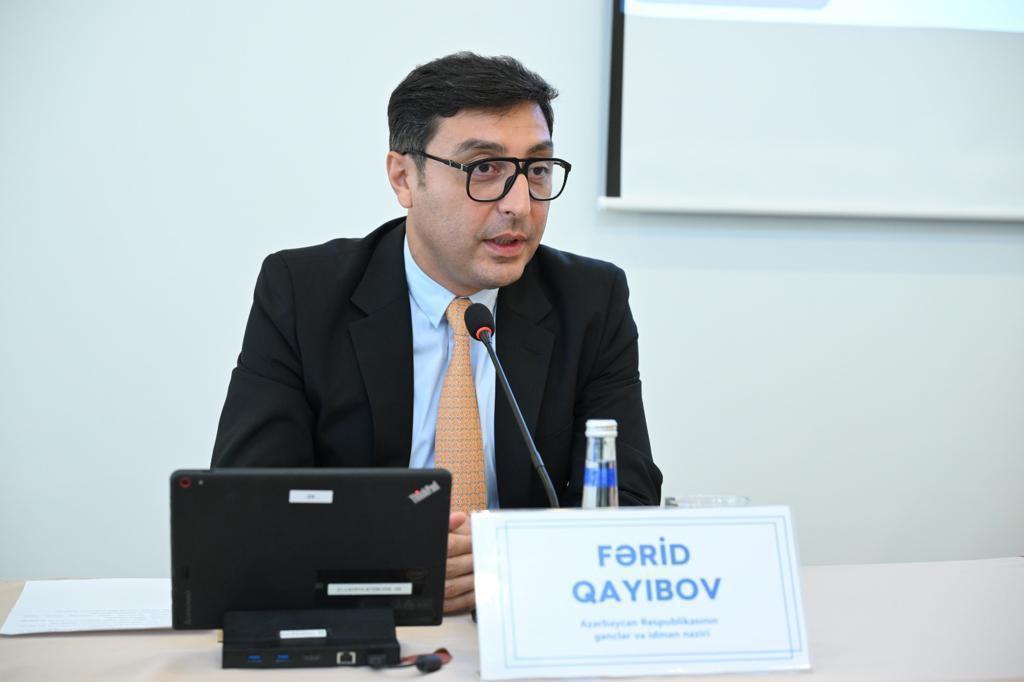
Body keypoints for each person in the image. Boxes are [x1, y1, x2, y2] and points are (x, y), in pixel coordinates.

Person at [211, 52, 662, 613]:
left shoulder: (590, 300)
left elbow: (626, 501)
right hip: (361, 618)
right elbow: (247, 503)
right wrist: (392, 558)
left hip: (524, 613)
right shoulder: (304, 294)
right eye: (484, 169)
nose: (519, 205)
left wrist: (504, 557)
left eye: (538, 170)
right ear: (404, 178)